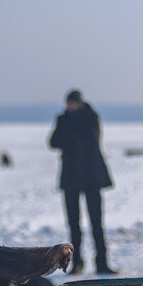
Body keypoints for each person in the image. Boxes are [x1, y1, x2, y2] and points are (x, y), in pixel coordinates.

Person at [49, 89, 115, 274]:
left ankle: (102, 262)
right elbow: (53, 141)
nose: (69, 107)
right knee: (73, 224)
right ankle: (76, 262)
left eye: (71, 104)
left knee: (96, 222)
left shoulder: (91, 117)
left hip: (91, 177)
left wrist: (68, 138)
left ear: (78, 103)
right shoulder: (63, 119)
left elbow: (91, 140)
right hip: (71, 178)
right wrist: (71, 138)